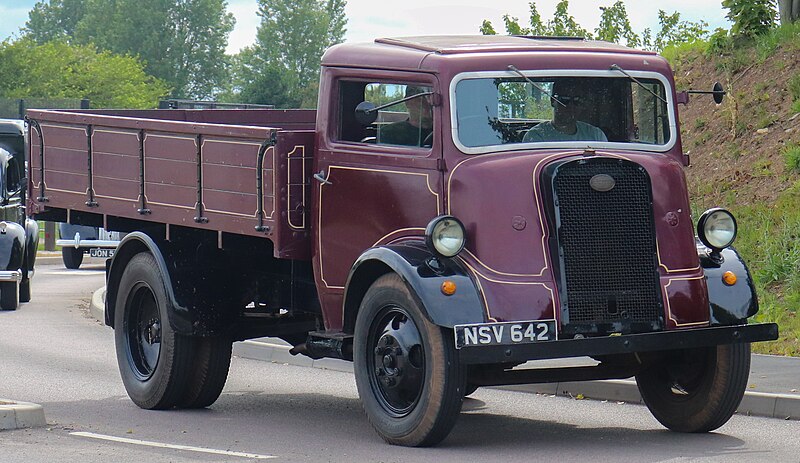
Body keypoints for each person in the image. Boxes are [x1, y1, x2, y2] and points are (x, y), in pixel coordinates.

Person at [523, 79, 607, 143]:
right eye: (564, 100)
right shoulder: (536, 136)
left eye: (577, 101)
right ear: (553, 101)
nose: (571, 106)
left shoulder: (596, 135)